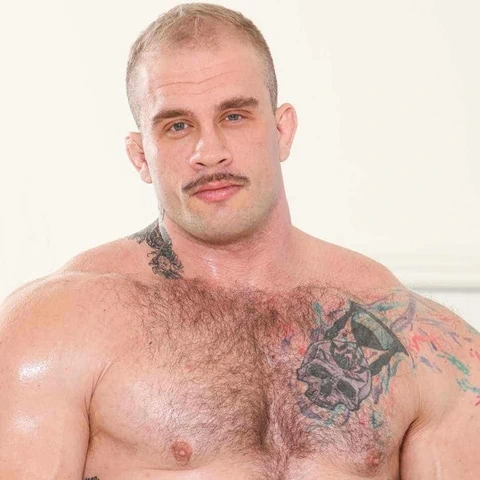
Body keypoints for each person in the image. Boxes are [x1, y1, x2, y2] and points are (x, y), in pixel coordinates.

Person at [1, 3, 479, 479]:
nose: (209, 152)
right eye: (177, 126)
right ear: (140, 155)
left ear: (282, 130)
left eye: (234, 116)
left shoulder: (419, 342)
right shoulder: (56, 329)